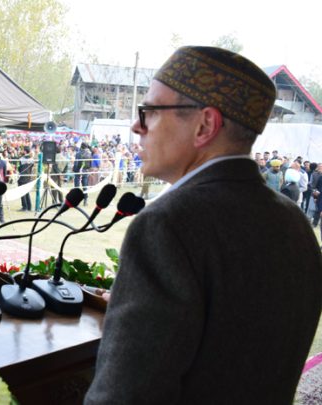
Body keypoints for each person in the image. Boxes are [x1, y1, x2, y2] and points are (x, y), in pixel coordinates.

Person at [85, 46, 322, 405]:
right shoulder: (295, 223)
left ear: (205, 125)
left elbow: (125, 395)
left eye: (149, 111)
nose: (137, 125)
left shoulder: (168, 224)